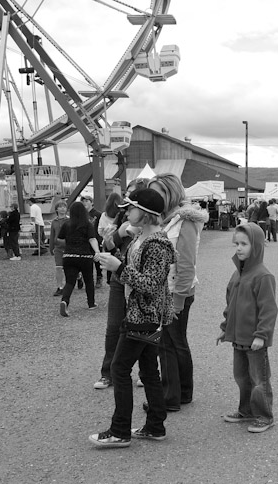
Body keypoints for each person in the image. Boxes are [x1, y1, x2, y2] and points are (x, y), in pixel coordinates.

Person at [90, 188, 175, 448]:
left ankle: (120, 431)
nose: (126, 212)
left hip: (144, 316)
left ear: (146, 213)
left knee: (119, 368)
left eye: (131, 208)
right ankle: (155, 426)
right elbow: (136, 273)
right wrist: (113, 258)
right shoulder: (141, 237)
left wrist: (118, 267)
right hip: (142, 315)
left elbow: (150, 284)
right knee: (148, 370)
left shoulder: (157, 244)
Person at [146, 173, 208, 411]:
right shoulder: (166, 220)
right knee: (172, 342)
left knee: (170, 343)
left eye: (157, 192)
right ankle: (181, 393)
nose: (153, 197)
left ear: (170, 192)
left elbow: (186, 262)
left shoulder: (184, 221)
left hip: (175, 291)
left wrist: (178, 299)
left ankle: (171, 396)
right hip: (167, 291)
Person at [216, 223, 277, 433]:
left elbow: (268, 310)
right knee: (242, 378)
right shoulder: (237, 274)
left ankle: (264, 416)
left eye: (244, 244)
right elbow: (230, 304)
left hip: (255, 340)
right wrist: (225, 327)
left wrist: (262, 335)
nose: (239, 248)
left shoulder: (263, 276)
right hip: (238, 338)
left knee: (259, 380)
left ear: (256, 245)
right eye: (237, 244)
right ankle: (246, 410)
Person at [93, 178, 148, 391]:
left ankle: (146, 371)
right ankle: (108, 373)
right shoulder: (124, 215)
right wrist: (111, 239)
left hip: (140, 278)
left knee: (145, 325)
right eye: (127, 193)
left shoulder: (152, 220)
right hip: (119, 276)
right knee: (114, 326)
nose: (127, 197)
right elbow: (111, 243)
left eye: (131, 193)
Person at [57, 201, 100, 317]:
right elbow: (92, 239)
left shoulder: (66, 224)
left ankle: (65, 301)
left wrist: (69, 243)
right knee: (89, 280)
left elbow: (60, 239)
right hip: (85, 256)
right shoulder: (88, 224)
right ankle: (91, 303)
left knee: (70, 282)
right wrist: (97, 251)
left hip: (69, 256)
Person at [98, 192, 124, 284]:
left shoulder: (104, 215)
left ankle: (110, 279)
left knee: (109, 260)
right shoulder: (121, 214)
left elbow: (99, 230)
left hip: (107, 241)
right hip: (120, 241)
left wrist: (105, 233)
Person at [82, 195, 104, 287]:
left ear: (92, 202)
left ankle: (99, 277)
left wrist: (100, 240)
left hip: (96, 239)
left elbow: (101, 227)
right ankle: (88, 279)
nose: (85, 203)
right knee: (86, 261)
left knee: (97, 261)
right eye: (83, 201)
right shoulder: (82, 214)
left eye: (87, 201)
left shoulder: (98, 214)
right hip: (85, 241)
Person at [48, 201, 69, 296]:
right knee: (59, 267)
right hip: (58, 247)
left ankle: (78, 277)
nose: (62, 208)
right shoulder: (54, 222)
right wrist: (51, 247)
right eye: (60, 207)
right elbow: (52, 235)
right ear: (56, 209)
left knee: (69, 267)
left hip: (69, 246)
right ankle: (60, 287)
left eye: (64, 206)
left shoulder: (70, 220)